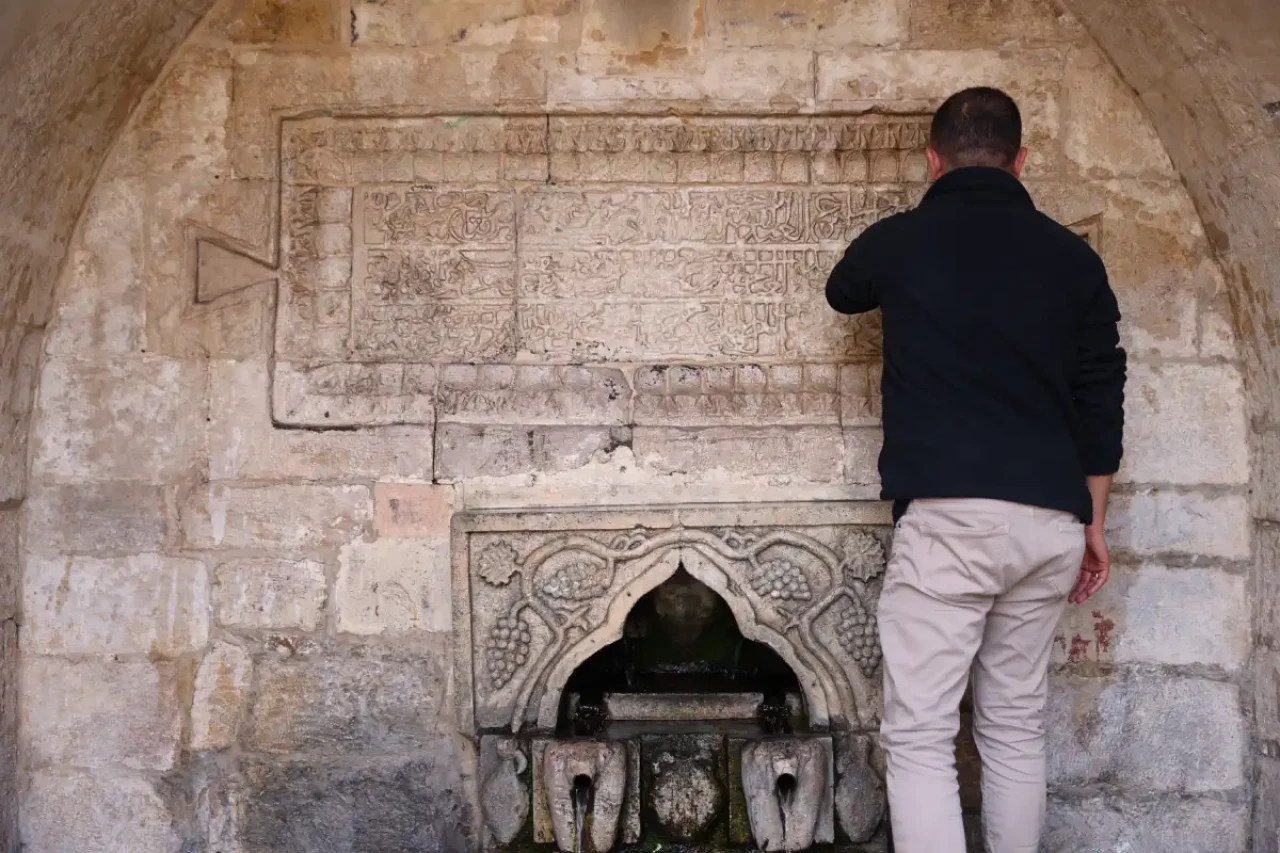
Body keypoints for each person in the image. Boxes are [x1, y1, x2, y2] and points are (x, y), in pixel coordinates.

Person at [825, 87, 1126, 853]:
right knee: (1015, 725)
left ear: (933, 159)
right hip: (1051, 525)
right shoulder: (1074, 258)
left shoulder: (904, 239)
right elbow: (1102, 399)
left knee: (922, 734)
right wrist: (1093, 520)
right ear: (1022, 161)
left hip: (951, 522)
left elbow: (842, 288)